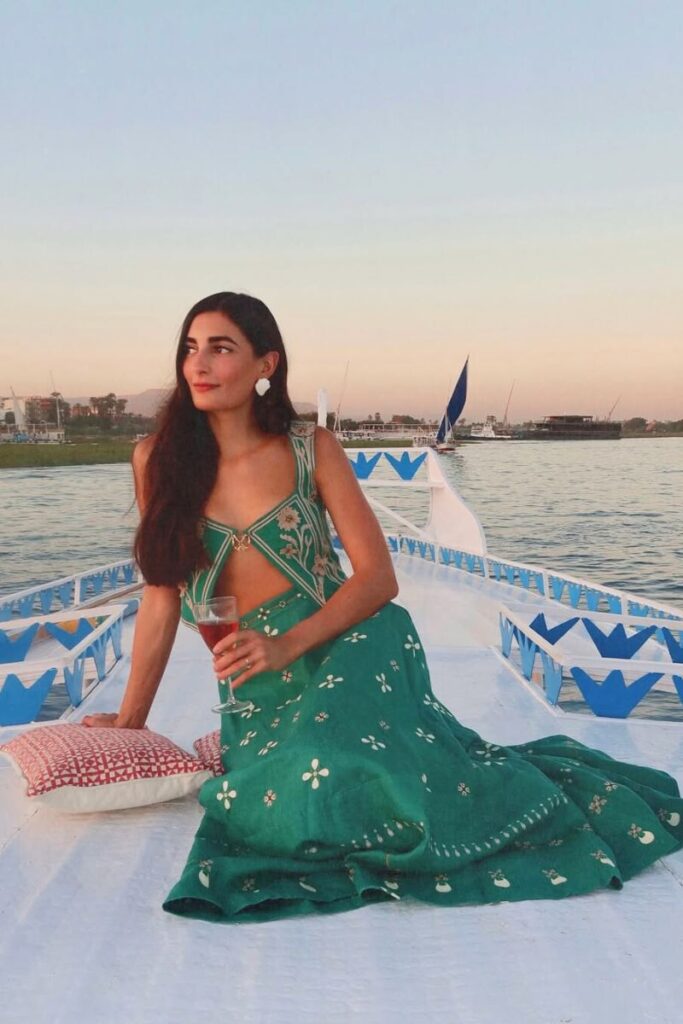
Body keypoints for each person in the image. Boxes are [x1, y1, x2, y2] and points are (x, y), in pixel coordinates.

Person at [83, 291, 683, 924]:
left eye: (221, 348)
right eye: (190, 348)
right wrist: (131, 720)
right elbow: (158, 593)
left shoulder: (310, 447)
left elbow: (377, 578)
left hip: (350, 641)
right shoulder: (158, 460)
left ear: (265, 365)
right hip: (250, 678)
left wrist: (288, 642)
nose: (199, 364)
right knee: (286, 790)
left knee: (343, 768)